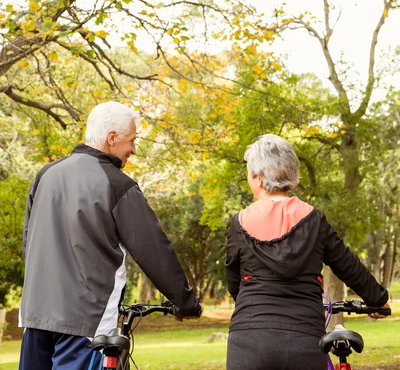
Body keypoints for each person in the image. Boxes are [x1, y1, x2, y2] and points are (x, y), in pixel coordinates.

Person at [19, 101, 201, 370]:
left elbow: (28, 242)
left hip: (35, 314)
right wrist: (185, 303)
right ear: (112, 138)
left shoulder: (45, 175)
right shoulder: (117, 184)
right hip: (85, 321)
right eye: (132, 140)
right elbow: (153, 250)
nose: (134, 150)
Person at [225, 134, 390, 370]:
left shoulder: (239, 222)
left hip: (250, 339)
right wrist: (378, 300)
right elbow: (347, 264)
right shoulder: (314, 219)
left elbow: (234, 280)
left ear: (259, 179)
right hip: (303, 337)